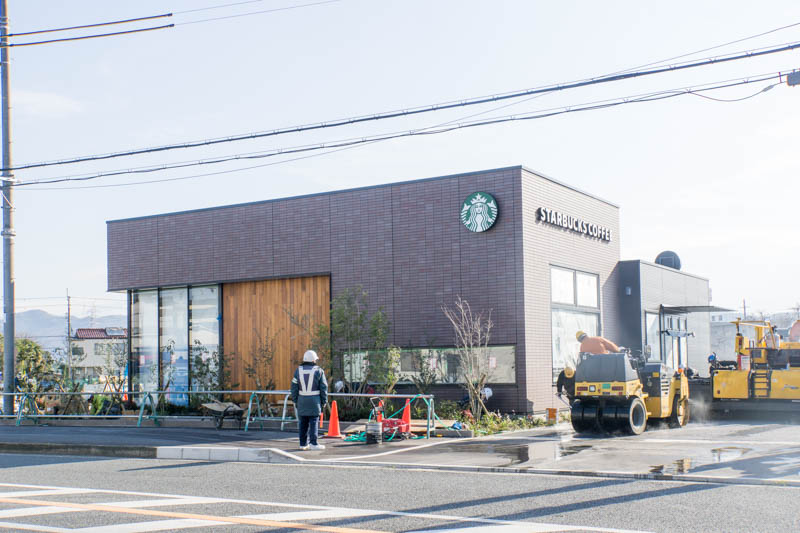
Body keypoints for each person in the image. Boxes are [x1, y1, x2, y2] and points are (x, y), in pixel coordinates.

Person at [290, 350, 328, 451]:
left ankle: (303, 444)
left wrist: (295, 400)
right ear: (313, 360)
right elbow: (323, 387)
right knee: (314, 422)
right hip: (314, 401)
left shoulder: (298, 371)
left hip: (302, 400)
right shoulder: (319, 371)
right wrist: (324, 401)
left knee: (303, 423)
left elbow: (294, 387)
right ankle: (313, 443)